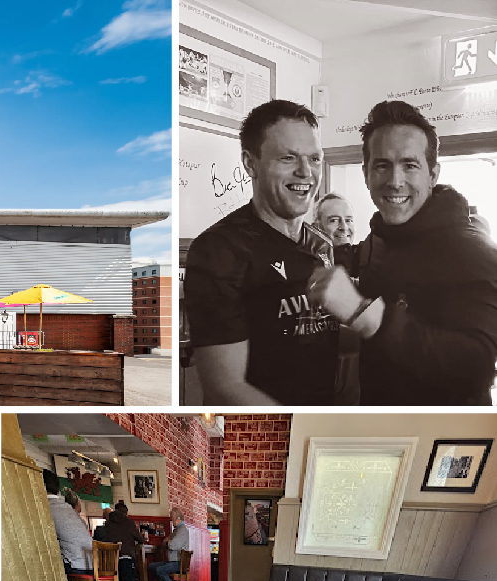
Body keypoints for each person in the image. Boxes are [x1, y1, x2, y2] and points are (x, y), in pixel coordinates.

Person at [309, 100, 497, 405]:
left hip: (440, 438)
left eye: (410, 165)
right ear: (366, 173)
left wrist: (367, 315)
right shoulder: (381, 236)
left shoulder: (471, 250)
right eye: (382, 165)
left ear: (433, 174)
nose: (395, 182)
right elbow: (352, 257)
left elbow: (476, 366)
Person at [184, 100, 340, 404]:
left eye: (314, 158)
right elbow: (226, 387)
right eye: (287, 158)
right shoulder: (220, 250)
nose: (305, 172)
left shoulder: (321, 244)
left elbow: (316, 335)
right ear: (250, 163)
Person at [42, 469, 93, 581]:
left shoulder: (46, 508)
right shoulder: (68, 508)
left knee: (44, 569)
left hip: (76, 565)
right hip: (92, 563)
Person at [93, 500, 143, 581]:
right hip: (124, 561)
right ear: (126, 513)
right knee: (129, 578)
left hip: (108, 566)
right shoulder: (129, 523)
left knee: (120, 579)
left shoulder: (107, 524)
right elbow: (140, 539)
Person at [150, 509, 191, 581]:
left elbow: (172, 545)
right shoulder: (177, 530)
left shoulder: (182, 530)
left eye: (172, 519)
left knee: (160, 570)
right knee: (152, 566)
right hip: (172, 561)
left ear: (178, 519)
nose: (172, 522)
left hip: (178, 563)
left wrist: (167, 541)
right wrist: (168, 540)